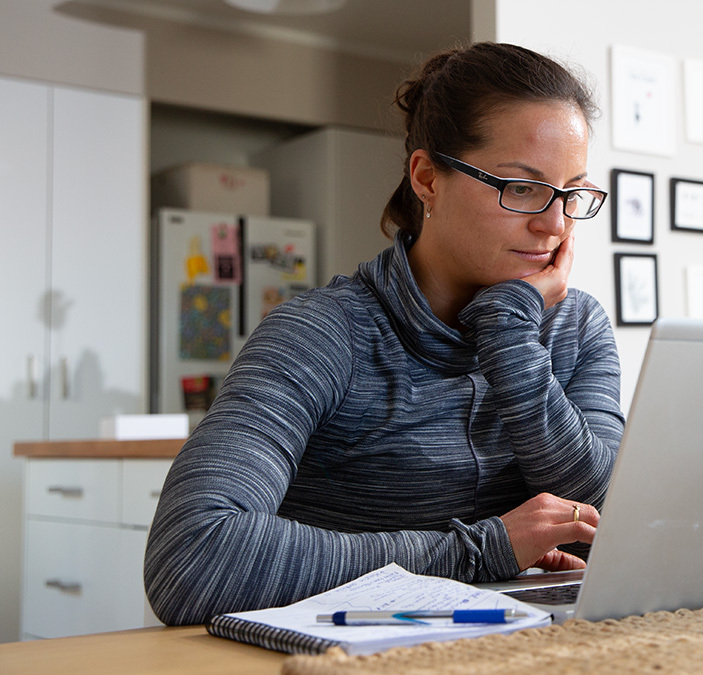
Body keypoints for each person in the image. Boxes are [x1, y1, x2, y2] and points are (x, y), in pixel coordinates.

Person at [143, 42, 624, 626]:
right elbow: (191, 558)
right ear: (426, 178)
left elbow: (603, 516)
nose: (554, 224)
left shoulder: (577, 328)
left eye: (572, 193)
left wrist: (508, 330)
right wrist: (479, 550)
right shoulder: (322, 332)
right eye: (520, 187)